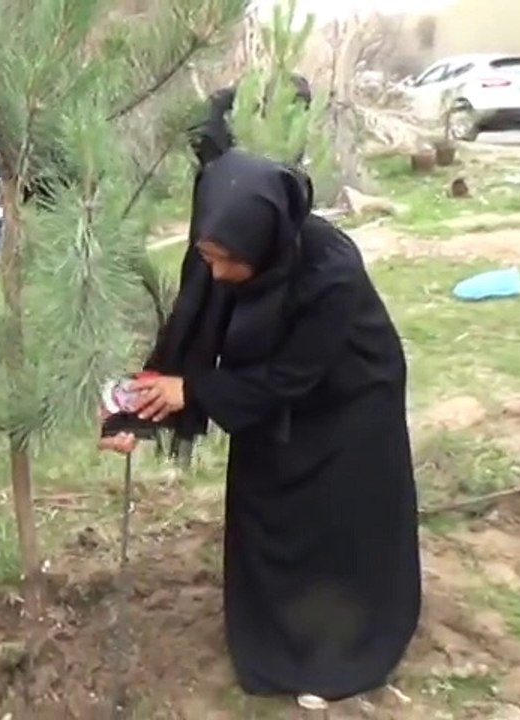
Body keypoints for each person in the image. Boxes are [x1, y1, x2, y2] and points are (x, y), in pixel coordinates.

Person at [100, 151, 422, 709]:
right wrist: (135, 414)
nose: (216, 271)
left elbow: (291, 377)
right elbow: (188, 331)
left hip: (349, 400)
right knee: (267, 506)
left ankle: (337, 657)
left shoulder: (331, 270)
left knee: (333, 524)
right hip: (265, 392)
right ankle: (272, 639)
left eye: (228, 262)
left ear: (268, 240)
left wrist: (196, 392)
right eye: (209, 256)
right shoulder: (221, 243)